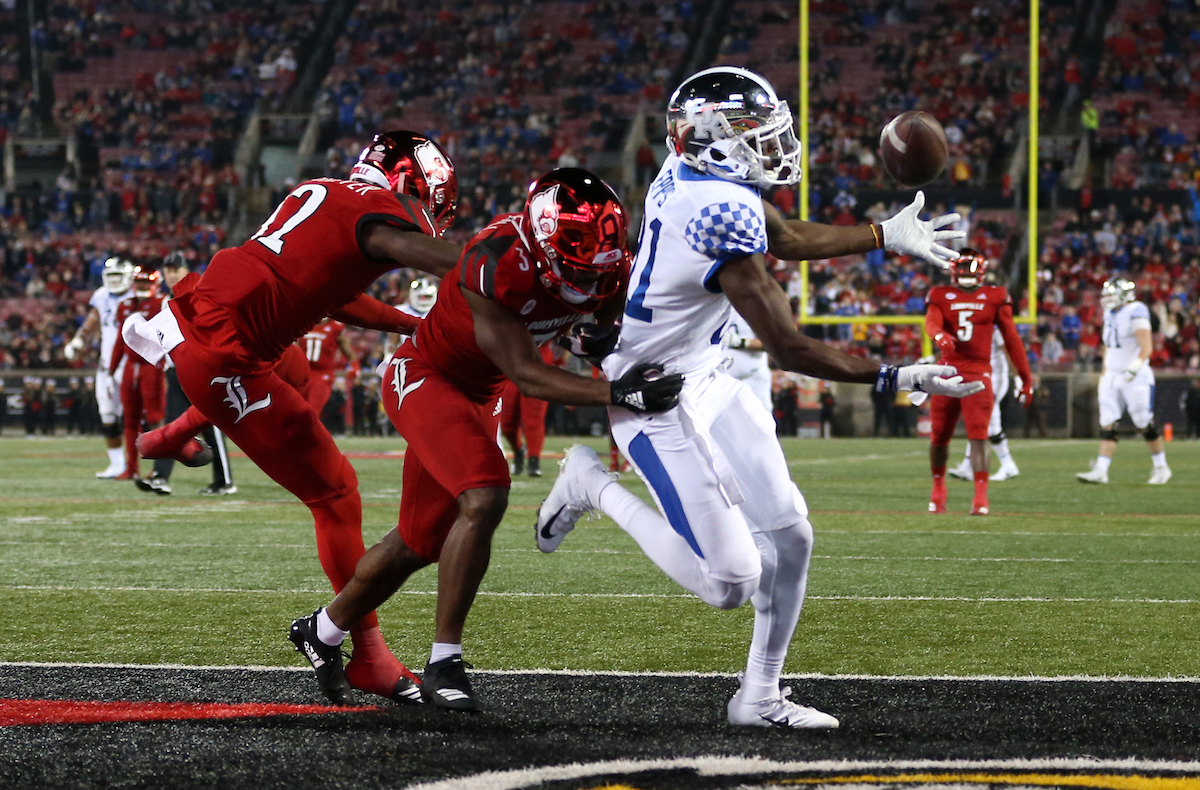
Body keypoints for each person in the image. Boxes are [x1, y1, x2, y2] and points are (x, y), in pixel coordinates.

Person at [534, 66, 979, 730]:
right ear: (708, 137)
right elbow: (790, 347)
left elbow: (787, 237)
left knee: (792, 537)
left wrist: (884, 235)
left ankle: (760, 697)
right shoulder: (715, 210)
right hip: (654, 397)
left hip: (706, 371)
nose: (772, 144)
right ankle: (589, 484)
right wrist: (895, 377)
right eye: (753, 132)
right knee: (730, 582)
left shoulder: (698, 176)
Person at [290, 168, 683, 711]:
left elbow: (605, 331)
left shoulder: (608, 267)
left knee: (419, 542)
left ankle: (323, 629)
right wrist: (621, 391)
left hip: (483, 390)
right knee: (485, 492)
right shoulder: (495, 259)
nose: (588, 279)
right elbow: (527, 373)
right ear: (541, 242)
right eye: (574, 265)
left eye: (598, 267)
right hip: (427, 376)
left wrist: (600, 344)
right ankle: (444, 662)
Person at [129, 130, 463, 706]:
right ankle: (369, 656)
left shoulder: (324, 191)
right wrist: (512, 269)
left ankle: (172, 435)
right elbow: (434, 256)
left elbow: (334, 294)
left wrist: (412, 324)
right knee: (336, 494)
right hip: (227, 357)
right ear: (411, 181)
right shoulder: (379, 213)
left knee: (296, 371)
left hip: (208, 322)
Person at [924, 249, 1032, 515]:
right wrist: (938, 336)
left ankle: (980, 498)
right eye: (961, 269)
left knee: (979, 435)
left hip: (978, 373)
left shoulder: (995, 296)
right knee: (939, 435)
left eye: (969, 269)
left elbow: (1012, 339)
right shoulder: (939, 295)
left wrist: (1026, 377)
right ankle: (938, 490)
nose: (965, 274)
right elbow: (931, 323)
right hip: (947, 372)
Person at [134, 252, 235, 496]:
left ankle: (224, 481)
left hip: (201, 370)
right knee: (173, 426)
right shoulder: (165, 301)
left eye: (176, 270)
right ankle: (161, 477)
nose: (171, 275)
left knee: (211, 427)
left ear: (186, 271)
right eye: (168, 270)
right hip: (176, 371)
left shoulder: (199, 294)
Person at [1077, 277, 1172, 484]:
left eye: (1111, 294)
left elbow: (1147, 346)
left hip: (1134, 375)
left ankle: (1161, 467)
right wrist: (1105, 371)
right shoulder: (1110, 313)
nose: (1106, 298)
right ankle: (1101, 470)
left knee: (1143, 422)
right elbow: (1109, 346)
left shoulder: (1136, 310)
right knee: (1107, 422)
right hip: (1112, 374)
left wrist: (1135, 366)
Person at [64, 257, 134, 477]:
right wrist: (79, 340)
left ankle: (139, 463)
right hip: (107, 365)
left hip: (132, 363)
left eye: (118, 276)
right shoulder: (102, 296)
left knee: (136, 415)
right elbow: (92, 320)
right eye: (111, 276)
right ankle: (117, 464)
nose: (114, 281)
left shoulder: (138, 296)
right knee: (107, 414)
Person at [109, 266, 168, 482]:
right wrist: (111, 369)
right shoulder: (125, 305)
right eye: (139, 282)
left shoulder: (162, 303)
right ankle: (131, 467)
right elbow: (120, 338)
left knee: (154, 417)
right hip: (130, 365)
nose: (142, 286)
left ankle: (160, 469)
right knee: (130, 417)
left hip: (153, 365)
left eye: (146, 282)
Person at [947, 325, 1022, 482]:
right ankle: (1006, 465)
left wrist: (1018, 377)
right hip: (981, 377)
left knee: (980, 421)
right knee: (989, 426)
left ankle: (969, 466)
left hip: (995, 379)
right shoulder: (972, 326)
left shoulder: (994, 327)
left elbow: (1008, 351)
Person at [499, 343, 558, 477]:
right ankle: (518, 450)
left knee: (533, 418)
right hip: (512, 365)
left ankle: (534, 461)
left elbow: (568, 334)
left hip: (539, 364)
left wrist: (561, 360)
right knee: (507, 423)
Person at [301, 318, 353, 418]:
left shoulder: (335, 327)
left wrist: (354, 366)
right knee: (296, 409)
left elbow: (348, 352)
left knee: (312, 411)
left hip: (322, 374)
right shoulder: (302, 324)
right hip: (303, 373)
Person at [721, 307, 771, 412]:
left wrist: (741, 342)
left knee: (760, 419)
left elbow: (771, 342)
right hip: (722, 378)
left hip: (753, 376)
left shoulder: (754, 307)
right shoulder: (717, 308)